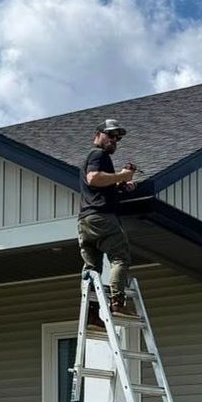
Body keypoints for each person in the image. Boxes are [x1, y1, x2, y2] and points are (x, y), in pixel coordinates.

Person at [79, 117, 137, 318]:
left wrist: (121, 186)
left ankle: (92, 316)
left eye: (117, 138)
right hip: (102, 219)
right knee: (120, 257)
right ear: (98, 135)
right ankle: (117, 304)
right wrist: (122, 176)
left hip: (86, 221)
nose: (114, 139)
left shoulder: (99, 157)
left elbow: (98, 187)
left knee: (92, 270)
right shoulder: (98, 154)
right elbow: (93, 178)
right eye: (110, 135)